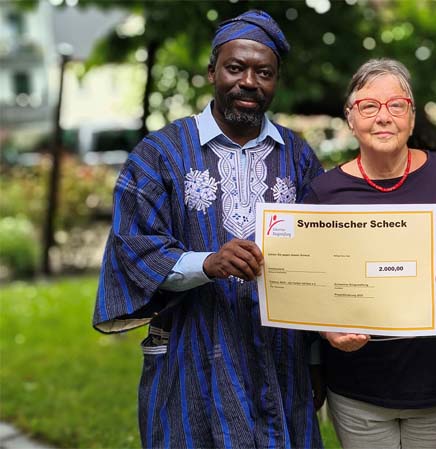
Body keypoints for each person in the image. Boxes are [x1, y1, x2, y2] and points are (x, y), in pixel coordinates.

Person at [92, 10, 324, 449]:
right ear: (212, 72)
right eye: (235, 68)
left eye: (264, 72)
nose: (249, 82)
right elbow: (135, 249)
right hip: (190, 357)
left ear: (276, 80)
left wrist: (315, 360)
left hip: (281, 362)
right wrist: (208, 263)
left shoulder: (297, 155)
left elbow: (322, 259)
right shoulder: (160, 154)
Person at [303, 58, 436, 449]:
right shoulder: (323, 194)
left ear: (411, 118)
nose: (383, 117)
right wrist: (326, 329)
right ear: (350, 118)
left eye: (396, 105)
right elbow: (308, 285)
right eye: (368, 106)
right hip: (359, 390)